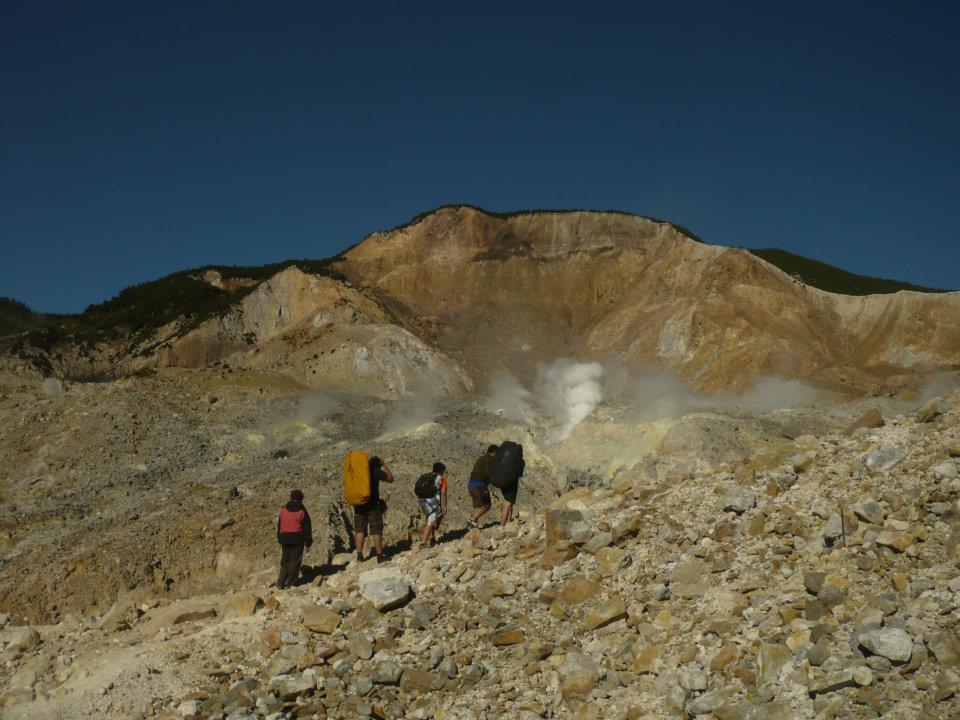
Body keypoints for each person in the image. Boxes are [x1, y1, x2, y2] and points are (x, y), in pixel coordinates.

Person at [354, 456, 393, 563]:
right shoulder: (376, 471)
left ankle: (359, 555)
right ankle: (380, 556)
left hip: (359, 505)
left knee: (360, 530)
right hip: (373, 506)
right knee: (376, 531)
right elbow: (390, 479)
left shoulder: (361, 472)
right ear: (378, 464)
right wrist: (384, 464)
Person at [276, 489, 312, 589]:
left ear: (291, 498)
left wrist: (279, 538)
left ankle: (280, 583)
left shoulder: (283, 510)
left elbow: (279, 525)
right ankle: (290, 584)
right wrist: (309, 542)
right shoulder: (302, 510)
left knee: (285, 561)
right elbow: (307, 528)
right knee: (295, 561)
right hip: (297, 538)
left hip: (284, 538)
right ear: (301, 498)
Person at [418, 462, 448, 547]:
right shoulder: (441, 479)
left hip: (422, 501)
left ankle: (432, 537)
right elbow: (443, 493)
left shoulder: (427, 477)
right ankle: (423, 543)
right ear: (442, 471)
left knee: (436, 516)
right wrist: (444, 506)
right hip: (432, 502)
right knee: (431, 520)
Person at [467, 444, 498, 528]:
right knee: (486, 505)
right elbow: (488, 472)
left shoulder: (480, 459)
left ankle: (471, 526)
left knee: (478, 506)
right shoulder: (489, 460)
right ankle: (473, 519)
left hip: (471, 485)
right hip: (480, 485)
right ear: (494, 452)